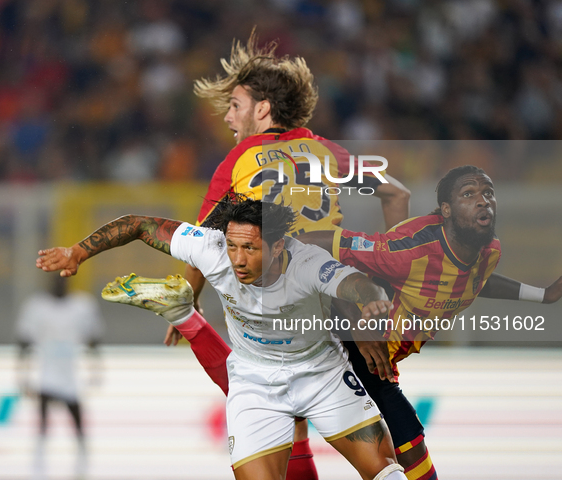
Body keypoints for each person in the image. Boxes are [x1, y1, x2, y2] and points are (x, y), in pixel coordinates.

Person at [168, 31, 411, 479]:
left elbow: (203, 238)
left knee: (279, 418)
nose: (228, 118)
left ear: (262, 109)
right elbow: (396, 194)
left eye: (235, 106)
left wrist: (185, 303)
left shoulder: (241, 160)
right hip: (344, 307)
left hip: (278, 309)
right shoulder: (325, 151)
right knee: (390, 441)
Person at [36, 196, 409, 480]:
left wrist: (371, 309)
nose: (237, 259)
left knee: (387, 473)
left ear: (279, 247)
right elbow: (138, 224)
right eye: (233, 245)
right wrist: (78, 252)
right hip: (254, 383)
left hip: (321, 374)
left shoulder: (307, 263)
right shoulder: (210, 248)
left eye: (250, 248)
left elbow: (360, 286)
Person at [297, 165, 562, 480]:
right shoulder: (408, 252)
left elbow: (476, 281)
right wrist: (358, 328)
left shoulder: (488, 253)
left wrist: (544, 295)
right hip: (345, 349)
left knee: (377, 458)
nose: (483, 201)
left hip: (378, 361)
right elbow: (311, 244)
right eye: (469, 194)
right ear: (446, 210)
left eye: (488, 193)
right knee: (407, 455)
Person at [16, 275, 104, 480]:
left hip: (70, 372)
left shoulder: (82, 306)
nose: (59, 283)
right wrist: (23, 375)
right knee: (43, 417)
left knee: (76, 417)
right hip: (46, 371)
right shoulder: (36, 307)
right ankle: (39, 461)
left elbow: (93, 340)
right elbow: (24, 342)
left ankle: (82, 461)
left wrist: (96, 370)